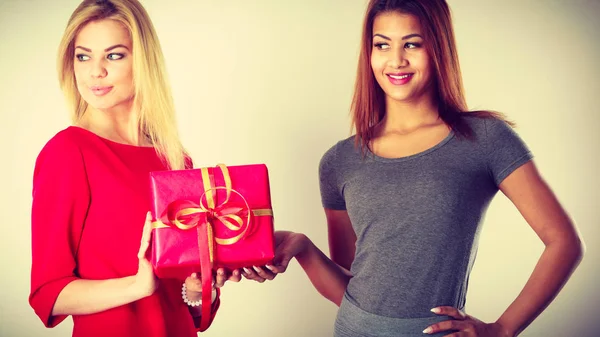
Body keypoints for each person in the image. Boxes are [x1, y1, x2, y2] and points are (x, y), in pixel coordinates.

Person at [243, 0, 585, 336]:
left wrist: (502, 329)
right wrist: (302, 246)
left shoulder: (485, 139)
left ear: (438, 48)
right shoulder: (339, 161)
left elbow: (563, 241)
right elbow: (349, 286)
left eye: (412, 44)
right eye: (382, 45)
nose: (396, 60)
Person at [28, 1, 239, 336]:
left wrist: (200, 289)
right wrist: (136, 287)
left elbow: (185, 301)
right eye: (83, 56)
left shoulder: (174, 158)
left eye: (113, 55)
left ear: (142, 61)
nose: (95, 71)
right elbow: (48, 294)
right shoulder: (68, 153)